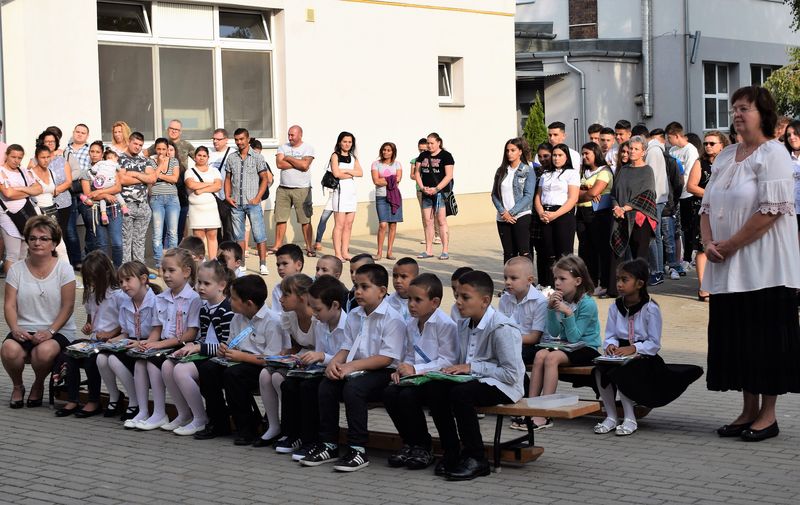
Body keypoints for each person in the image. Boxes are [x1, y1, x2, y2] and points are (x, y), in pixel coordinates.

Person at [702, 86, 800, 442]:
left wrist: (729, 244)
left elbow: (770, 212)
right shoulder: (727, 154)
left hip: (765, 267)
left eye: (745, 108)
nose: (737, 114)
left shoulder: (774, 153)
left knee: (765, 340)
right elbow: (706, 206)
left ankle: (768, 416)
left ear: (764, 114)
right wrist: (708, 243)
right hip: (729, 266)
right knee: (740, 339)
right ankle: (748, 410)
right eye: (734, 109)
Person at [300, 264, 404, 472]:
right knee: (327, 385)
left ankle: (358, 449)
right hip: (357, 369)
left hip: (384, 372)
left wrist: (350, 366)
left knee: (353, 389)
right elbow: (346, 346)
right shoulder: (355, 314)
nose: (358, 291)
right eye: (356, 286)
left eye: (365, 287)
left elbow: (386, 358)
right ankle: (329, 444)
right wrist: (335, 364)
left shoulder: (393, 318)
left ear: (382, 291)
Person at [424, 270, 525, 480]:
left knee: (461, 394)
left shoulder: (502, 327)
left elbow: (511, 374)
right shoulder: (463, 324)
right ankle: (451, 451)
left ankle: (477, 457)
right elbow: (462, 363)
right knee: (434, 388)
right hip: (473, 380)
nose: (458, 302)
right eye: (457, 296)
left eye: (465, 297)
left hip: (504, 386)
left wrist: (472, 367)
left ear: (485, 301)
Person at [593, 258, 703, 437]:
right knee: (600, 370)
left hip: (644, 357)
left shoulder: (650, 308)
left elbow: (654, 343)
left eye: (624, 280)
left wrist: (634, 348)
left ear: (639, 284)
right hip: (620, 353)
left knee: (623, 372)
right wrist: (611, 345)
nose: (619, 284)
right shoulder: (615, 307)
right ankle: (611, 416)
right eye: (618, 279)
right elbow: (611, 334)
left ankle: (630, 418)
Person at [383, 273, 458, 470]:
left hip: (437, 379)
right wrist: (401, 369)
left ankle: (423, 446)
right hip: (416, 377)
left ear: (435, 302)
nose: (411, 304)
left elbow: (448, 361)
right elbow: (410, 353)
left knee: (407, 396)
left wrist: (415, 369)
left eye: (417, 300)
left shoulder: (445, 325)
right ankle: (409, 441)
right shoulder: (411, 324)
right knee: (390, 393)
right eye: (409, 299)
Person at [2, 216, 76, 408]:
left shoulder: (64, 269)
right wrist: (15, 328)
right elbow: (9, 305)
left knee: (43, 352)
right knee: (8, 349)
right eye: (33, 238)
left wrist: (50, 331)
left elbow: (68, 306)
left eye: (44, 239)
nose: (37, 243)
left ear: (54, 244)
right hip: (25, 328)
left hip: (58, 330)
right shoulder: (16, 270)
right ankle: (18, 386)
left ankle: (38, 384)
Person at [274, 274, 349, 460]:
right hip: (323, 370)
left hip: (341, 373)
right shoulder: (322, 323)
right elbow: (319, 353)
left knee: (309, 388)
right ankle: (294, 435)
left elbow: (348, 356)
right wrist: (306, 360)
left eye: (317, 309)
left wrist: (321, 357)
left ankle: (312, 440)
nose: (314, 313)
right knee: (289, 383)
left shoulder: (348, 324)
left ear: (335, 306)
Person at [125, 248, 200, 430]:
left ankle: (163, 413)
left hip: (182, 346)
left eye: (171, 270)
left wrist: (158, 345)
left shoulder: (194, 298)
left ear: (186, 272)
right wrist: (148, 343)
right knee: (140, 362)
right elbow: (157, 328)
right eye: (163, 270)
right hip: (165, 344)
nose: (166, 275)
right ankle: (144, 411)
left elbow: (191, 333)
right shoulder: (161, 298)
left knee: (153, 363)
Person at [163, 260, 234, 436]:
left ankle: (200, 418)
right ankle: (184, 413)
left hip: (219, 359)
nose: (200, 287)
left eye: (206, 284)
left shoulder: (227, 310)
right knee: (167, 365)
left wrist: (198, 348)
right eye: (199, 282)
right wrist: (192, 345)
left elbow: (226, 347)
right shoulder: (205, 308)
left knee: (181, 371)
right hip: (205, 354)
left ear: (221, 285)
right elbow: (204, 337)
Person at [528, 255, 600, 429]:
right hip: (566, 346)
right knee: (540, 355)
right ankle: (530, 408)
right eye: (555, 278)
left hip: (587, 348)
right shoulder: (561, 300)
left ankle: (545, 413)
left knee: (552, 358)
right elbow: (554, 332)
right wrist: (551, 309)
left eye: (562, 278)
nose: (557, 283)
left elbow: (575, 337)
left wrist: (568, 313)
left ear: (578, 281)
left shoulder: (587, 304)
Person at [222, 275, 289, 445]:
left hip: (261, 366)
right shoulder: (238, 317)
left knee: (233, 375)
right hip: (239, 362)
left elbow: (273, 359)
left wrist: (242, 357)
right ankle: (218, 421)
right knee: (209, 370)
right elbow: (232, 343)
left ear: (249, 303)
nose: (229, 301)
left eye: (234, 298)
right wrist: (224, 350)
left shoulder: (272, 321)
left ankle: (247, 429)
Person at [58, 250, 124, 418]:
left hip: (113, 342)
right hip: (95, 340)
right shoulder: (92, 294)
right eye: (89, 279)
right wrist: (88, 326)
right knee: (70, 353)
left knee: (90, 360)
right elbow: (91, 319)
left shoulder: (118, 295)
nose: (92, 282)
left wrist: (110, 333)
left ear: (106, 273)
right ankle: (73, 399)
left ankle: (94, 401)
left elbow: (126, 324)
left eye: (95, 278)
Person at [256, 274, 315, 446]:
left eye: (286, 295)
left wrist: (300, 355)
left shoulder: (317, 318)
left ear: (303, 297)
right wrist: (288, 352)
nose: (281, 299)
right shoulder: (289, 316)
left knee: (278, 377)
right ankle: (274, 426)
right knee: (265, 374)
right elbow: (298, 345)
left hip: (316, 359)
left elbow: (321, 348)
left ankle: (292, 428)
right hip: (301, 357)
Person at [497, 256, 547, 430]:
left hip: (531, 346)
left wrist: (509, 340)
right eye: (505, 278)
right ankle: (507, 396)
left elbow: (534, 337)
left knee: (512, 358)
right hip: (511, 344)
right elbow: (500, 327)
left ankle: (522, 400)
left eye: (513, 278)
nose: (507, 282)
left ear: (529, 280)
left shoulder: (539, 301)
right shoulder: (505, 299)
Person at [108, 261, 161, 422]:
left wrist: (143, 344)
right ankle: (133, 400)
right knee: (107, 357)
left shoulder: (156, 301)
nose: (124, 285)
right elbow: (125, 333)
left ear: (143, 279)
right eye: (121, 281)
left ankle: (140, 405)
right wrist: (113, 341)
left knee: (139, 363)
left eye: (128, 280)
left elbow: (157, 330)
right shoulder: (125, 304)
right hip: (133, 343)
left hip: (151, 343)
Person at [609, 136, 657, 298]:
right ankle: (615, 289)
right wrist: (617, 207)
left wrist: (625, 208)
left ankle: (639, 291)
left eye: (636, 149)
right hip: (620, 216)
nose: (631, 151)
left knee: (639, 257)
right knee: (617, 253)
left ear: (643, 152)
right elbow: (614, 193)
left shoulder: (647, 170)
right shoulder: (623, 170)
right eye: (630, 148)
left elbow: (647, 195)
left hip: (639, 219)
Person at [687, 131, 729, 301]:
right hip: (703, 209)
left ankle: (722, 284)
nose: (708, 146)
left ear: (722, 145)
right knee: (703, 246)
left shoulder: (729, 161)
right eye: (706, 143)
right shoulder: (700, 163)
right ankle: (703, 288)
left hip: (725, 210)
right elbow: (691, 186)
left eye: (712, 143)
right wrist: (712, 194)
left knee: (723, 244)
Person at [224, 128, 271, 275]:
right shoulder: (231, 158)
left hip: (252, 203)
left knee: (259, 234)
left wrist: (258, 197)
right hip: (236, 204)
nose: (239, 142)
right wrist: (227, 196)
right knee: (239, 236)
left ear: (248, 139)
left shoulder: (257, 157)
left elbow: (265, 179)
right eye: (236, 139)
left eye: (241, 139)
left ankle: (262, 264)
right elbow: (227, 179)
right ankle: (242, 264)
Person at [532, 143, 579, 287]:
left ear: (566, 157)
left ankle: (566, 285)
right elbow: (538, 196)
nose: (556, 158)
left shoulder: (571, 173)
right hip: (546, 214)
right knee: (548, 252)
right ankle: (549, 285)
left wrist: (555, 214)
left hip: (563, 214)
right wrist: (541, 212)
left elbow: (572, 198)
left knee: (563, 254)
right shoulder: (546, 174)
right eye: (554, 155)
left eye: (560, 155)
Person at [576, 142, 613, 294]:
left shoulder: (604, 171)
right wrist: (586, 190)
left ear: (595, 154)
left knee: (600, 249)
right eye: (582, 154)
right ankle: (589, 283)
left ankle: (603, 283)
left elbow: (593, 193)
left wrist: (581, 193)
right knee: (585, 249)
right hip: (581, 213)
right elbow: (570, 191)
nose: (584, 156)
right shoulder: (582, 172)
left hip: (598, 214)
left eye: (587, 154)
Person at [33, 131, 76, 266]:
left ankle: (62, 268)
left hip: (61, 203)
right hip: (41, 207)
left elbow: (68, 181)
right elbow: (31, 184)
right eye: (47, 141)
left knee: (60, 237)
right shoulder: (33, 164)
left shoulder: (61, 159)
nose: (50, 143)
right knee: (44, 238)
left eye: (52, 141)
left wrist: (54, 191)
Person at [492, 137, 535, 268]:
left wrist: (511, 212)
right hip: (503, 218)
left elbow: (528, 195)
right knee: (508, 253)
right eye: (507, 150)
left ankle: (526, 279)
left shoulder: (528, 170)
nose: (509, 153)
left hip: (521, 215)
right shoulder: (501, 171)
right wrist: (503, 212)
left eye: (513, 150)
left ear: (520, 151)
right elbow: (494, 194)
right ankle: (509, 279)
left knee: (524, 251)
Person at [81, 146, 126, 267]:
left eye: (98, 152)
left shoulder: (111, 167)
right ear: (89, 153)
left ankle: (117, 271)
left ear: (102, 155)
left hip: (114, 208)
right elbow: (88, 195)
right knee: (102, 244)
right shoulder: (86, 173)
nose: (94, 154)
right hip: (97, 211)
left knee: (117, 243)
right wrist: (105, 195)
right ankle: (105, 272)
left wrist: (99, 192)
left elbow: (118, 188)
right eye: (92, 151)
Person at [0, 144, 42, 272]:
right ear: (7, 155)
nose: (16, 160)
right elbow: (8, 194)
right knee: (13, 253)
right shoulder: (1, 171)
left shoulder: (23, 171)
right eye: (13, 157)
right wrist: (28, 191)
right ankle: (11, 282)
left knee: (24, 251)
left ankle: (20, 281)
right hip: (7, 215)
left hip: (25, 214)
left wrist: (20, 188)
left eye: (19, 158)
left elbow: (39, 189)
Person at [274, 125, 316, 255]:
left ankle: (309, 247)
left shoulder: (308, 148)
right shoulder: (283, 147)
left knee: (305, 220)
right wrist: (298, 162)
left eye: (292, 135)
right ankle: (277, 246)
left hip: (302, 189)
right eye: (289, 134)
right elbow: (279, 164)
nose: (290, 137)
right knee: (280, 219)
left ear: (300, 135)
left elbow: (305, 166)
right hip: (283, 188)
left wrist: (288, 158)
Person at [666, 122, 700, 272]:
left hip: (687, 194)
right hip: (674, 195)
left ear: (677, 135)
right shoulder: (672, 150)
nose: (668, 141)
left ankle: (688, 257)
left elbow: (689, 173)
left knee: (688, 227)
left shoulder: (690, 150)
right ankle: (678, 258)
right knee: (676, 228)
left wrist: (679, 188)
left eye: (669, 137)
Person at [414, 133, 454, 260]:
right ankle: (428, 250)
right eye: (428, 143)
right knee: (428, 221)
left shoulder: (446, 156)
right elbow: (417, 173)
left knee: (441, 221)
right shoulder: (423, 155)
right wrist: (422, 187)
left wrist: (436, 189)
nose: (429, 145)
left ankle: (445, 251)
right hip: (426, 193)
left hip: (440, 193)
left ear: (439, 142)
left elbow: (449, 175)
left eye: (432, 143)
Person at [118, 132, 156, 264]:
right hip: (126, 205)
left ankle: (139, 269)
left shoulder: (145, 160)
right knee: (126, 241)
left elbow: (152, 178)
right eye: (135, 143)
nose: (137, 147)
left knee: (140, 240)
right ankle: (126, 270)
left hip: (143, 206)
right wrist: (143, 178)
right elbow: (122, 180)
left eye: (140, 145)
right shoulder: (120, 159)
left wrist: (133, 174)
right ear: (129, 142)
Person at [146, 138, 181, 270]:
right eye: (158, 149)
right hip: (156, 199)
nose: (161, 151)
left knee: (173, 232)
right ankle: (159, 263)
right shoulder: (150, 161)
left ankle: (172, 262)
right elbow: (151, 179)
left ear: (167, 149)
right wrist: (160, 165)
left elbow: (175, 178)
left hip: (172, 199)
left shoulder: (174, 161)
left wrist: (158, 175)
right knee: (157, 233)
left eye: (163, 149)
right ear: (155, 149)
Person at [327, 132, 362, 261]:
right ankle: (338, 253)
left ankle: (345, 251)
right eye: (345, 141)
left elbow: (360, 172)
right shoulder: (335, 156)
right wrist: (352, 173)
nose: (347, 144)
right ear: (339, 142)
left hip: (351, 193)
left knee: (349, 225)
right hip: (340, 193)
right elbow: (336, 174)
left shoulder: (353, 157)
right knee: (339, 225)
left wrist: (346, 171)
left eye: (349, 142)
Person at [64, 124, 96, 264]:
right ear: (73, 132)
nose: (79, 134)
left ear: (87, 135)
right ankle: (76, 259)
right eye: (77, 131)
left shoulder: (91, 150)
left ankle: (88, 256)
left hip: (86, 191)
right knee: (69, 228)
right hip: (70, 192)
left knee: (91, 225)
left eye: (83, 133)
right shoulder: (65, 151)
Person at [185, 146, 222, 259]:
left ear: (208, 157)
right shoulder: (189, 171)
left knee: (212, 235)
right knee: (199, 237)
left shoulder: (214, 171)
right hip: (196, 208)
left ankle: (213, 261)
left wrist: (201, 190)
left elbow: (218, 186)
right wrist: (210, 184)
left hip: (211, 207)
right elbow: (191, 185)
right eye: (199, 155)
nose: (201, 158)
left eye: (204, 156)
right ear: (195, 157)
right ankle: (200, 261)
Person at [372, 142, 403, 260]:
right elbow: (376, 181)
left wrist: (384, 180)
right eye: (384, 150)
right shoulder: (376, 164)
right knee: (383, 224)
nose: (386, 152)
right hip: (381, 197)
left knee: (393, 224)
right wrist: (391, 180)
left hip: (395, 197)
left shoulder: (397, 164)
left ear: (393, 152)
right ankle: (379, 252)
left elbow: (398, 179)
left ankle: (389, 251)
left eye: (389, 150)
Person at [410, 138, 440, 246]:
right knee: (425, 214)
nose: (422, 151)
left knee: (436, 212)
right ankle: (428, 236)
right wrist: (420, 177)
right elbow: (412, 175)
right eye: (420, 150)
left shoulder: (434, 159)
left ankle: (437, 235)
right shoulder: (415, 160)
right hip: (420, 189)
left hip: (434, 189)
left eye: (424, 149)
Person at [783, 120, 800, 239]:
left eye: (795, 133)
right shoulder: (784, 157)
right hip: (790, 212)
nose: (792, 137)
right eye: (789, 135)